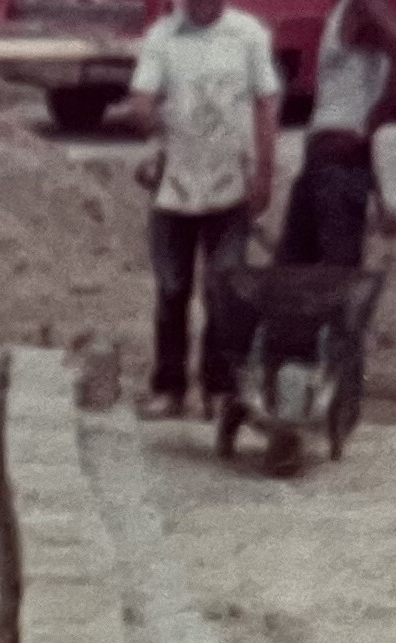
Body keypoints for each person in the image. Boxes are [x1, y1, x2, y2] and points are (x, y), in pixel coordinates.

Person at [127, 0, 281, 422]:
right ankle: (170, 387)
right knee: (172, 289)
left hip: (230, 186)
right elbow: (143, 95)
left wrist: (265, 172)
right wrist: (144, 113)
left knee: (224, 290)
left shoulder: (248, 34)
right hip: (175, 187)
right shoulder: (163, 35)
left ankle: (219, 388)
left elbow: (266, 104)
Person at [278, 0, 396, 268]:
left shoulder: (364, 6)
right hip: (321, 160)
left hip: (338, 165)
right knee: (292, 270)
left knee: (336, 273)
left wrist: (368, 126)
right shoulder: (341, 9)